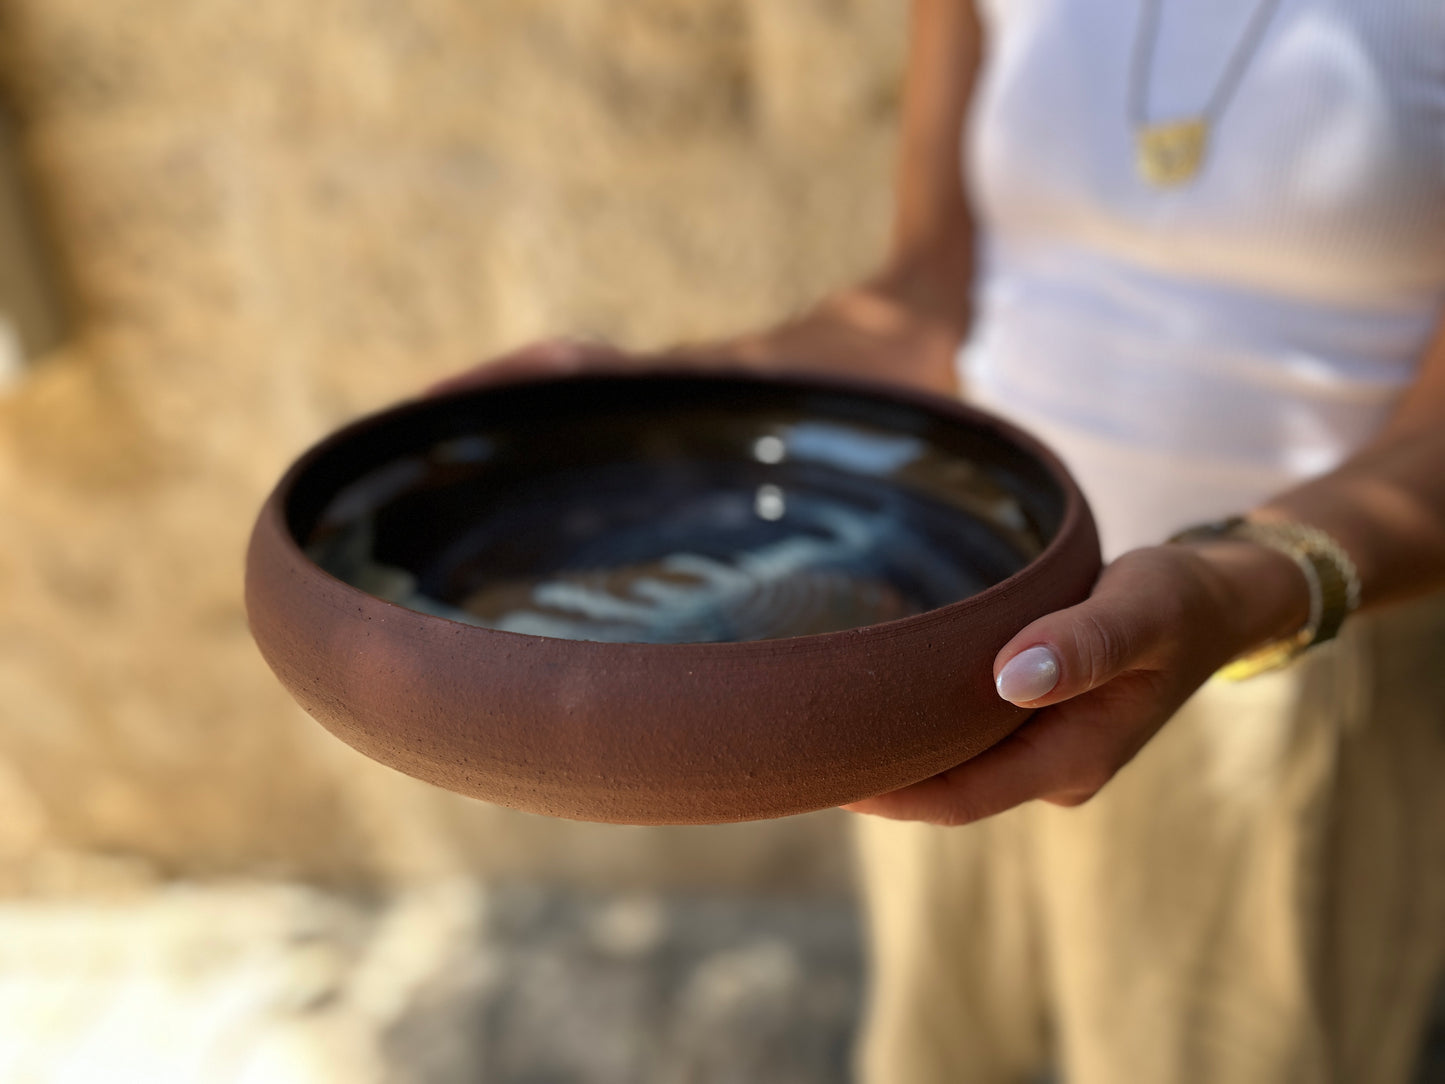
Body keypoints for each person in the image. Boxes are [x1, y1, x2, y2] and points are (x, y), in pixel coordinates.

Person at [439, 1, 1445, 1080]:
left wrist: (1240, 588)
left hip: (1273, 667)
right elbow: (923, 303)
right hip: (961, 642)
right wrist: (668, 395)